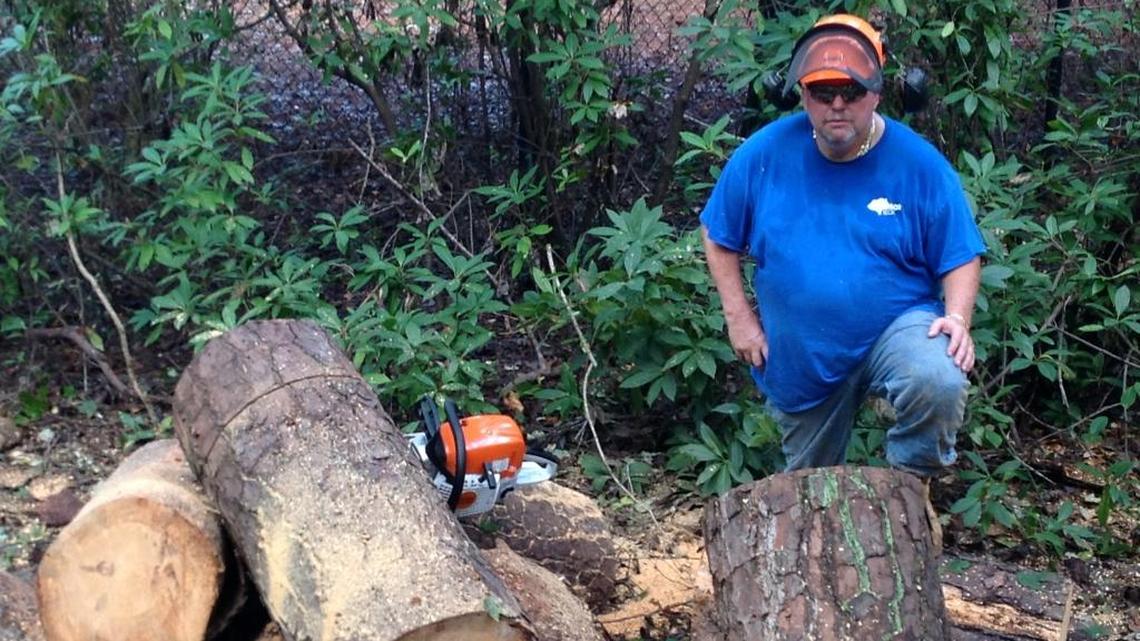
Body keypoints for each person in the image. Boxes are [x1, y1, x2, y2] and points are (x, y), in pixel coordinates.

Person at [699, 14, 986, 480]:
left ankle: (911, 492)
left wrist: (957, 318)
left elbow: (960, 253)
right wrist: (739, 318)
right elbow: (718, 233)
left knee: (937, 377)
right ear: (801, 94)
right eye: (821, 92)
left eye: (851, 92)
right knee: (808, 492)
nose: (837, 104)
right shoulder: (764, 153)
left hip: (896, 326)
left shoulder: (920, 165)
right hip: (804, 353)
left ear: (877, 91)